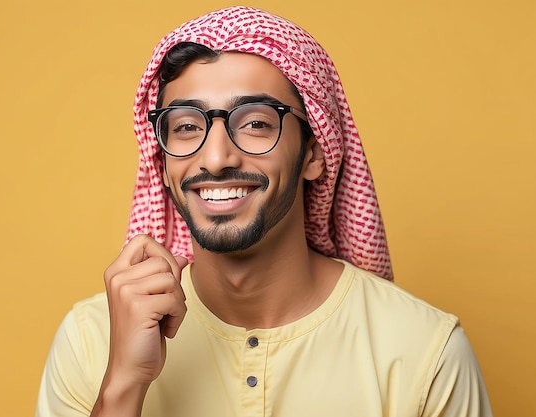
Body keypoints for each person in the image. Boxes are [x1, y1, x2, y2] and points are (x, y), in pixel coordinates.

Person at [36, 6, 493, 417]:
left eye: (255, 122)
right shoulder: (92, 341)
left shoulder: (424, 352)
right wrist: (121, 387)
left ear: (315, 153)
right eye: (186, 126)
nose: (215, 159)